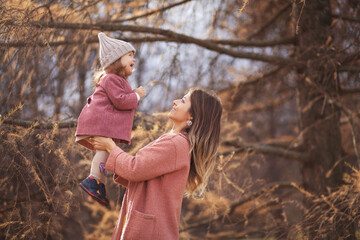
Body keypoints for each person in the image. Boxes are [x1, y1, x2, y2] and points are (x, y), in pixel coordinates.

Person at [91, 88, 222, 239]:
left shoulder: (175, 143)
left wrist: (109, 146)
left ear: (192, 115)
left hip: (150, 232)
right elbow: (143, 175)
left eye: (183, 100)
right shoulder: (178, 142)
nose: (175, 101)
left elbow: (135, 168)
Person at [75, 32, 146, 206]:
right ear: (115, 60)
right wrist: (136, 96)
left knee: (105, 152)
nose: (133, 59)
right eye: (129, 55)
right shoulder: (111, 79)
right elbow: (121, 101)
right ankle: (94, 180)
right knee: (104, 151)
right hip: (101, 124)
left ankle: (98, 182)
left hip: (105, 124)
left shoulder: (115, 80)